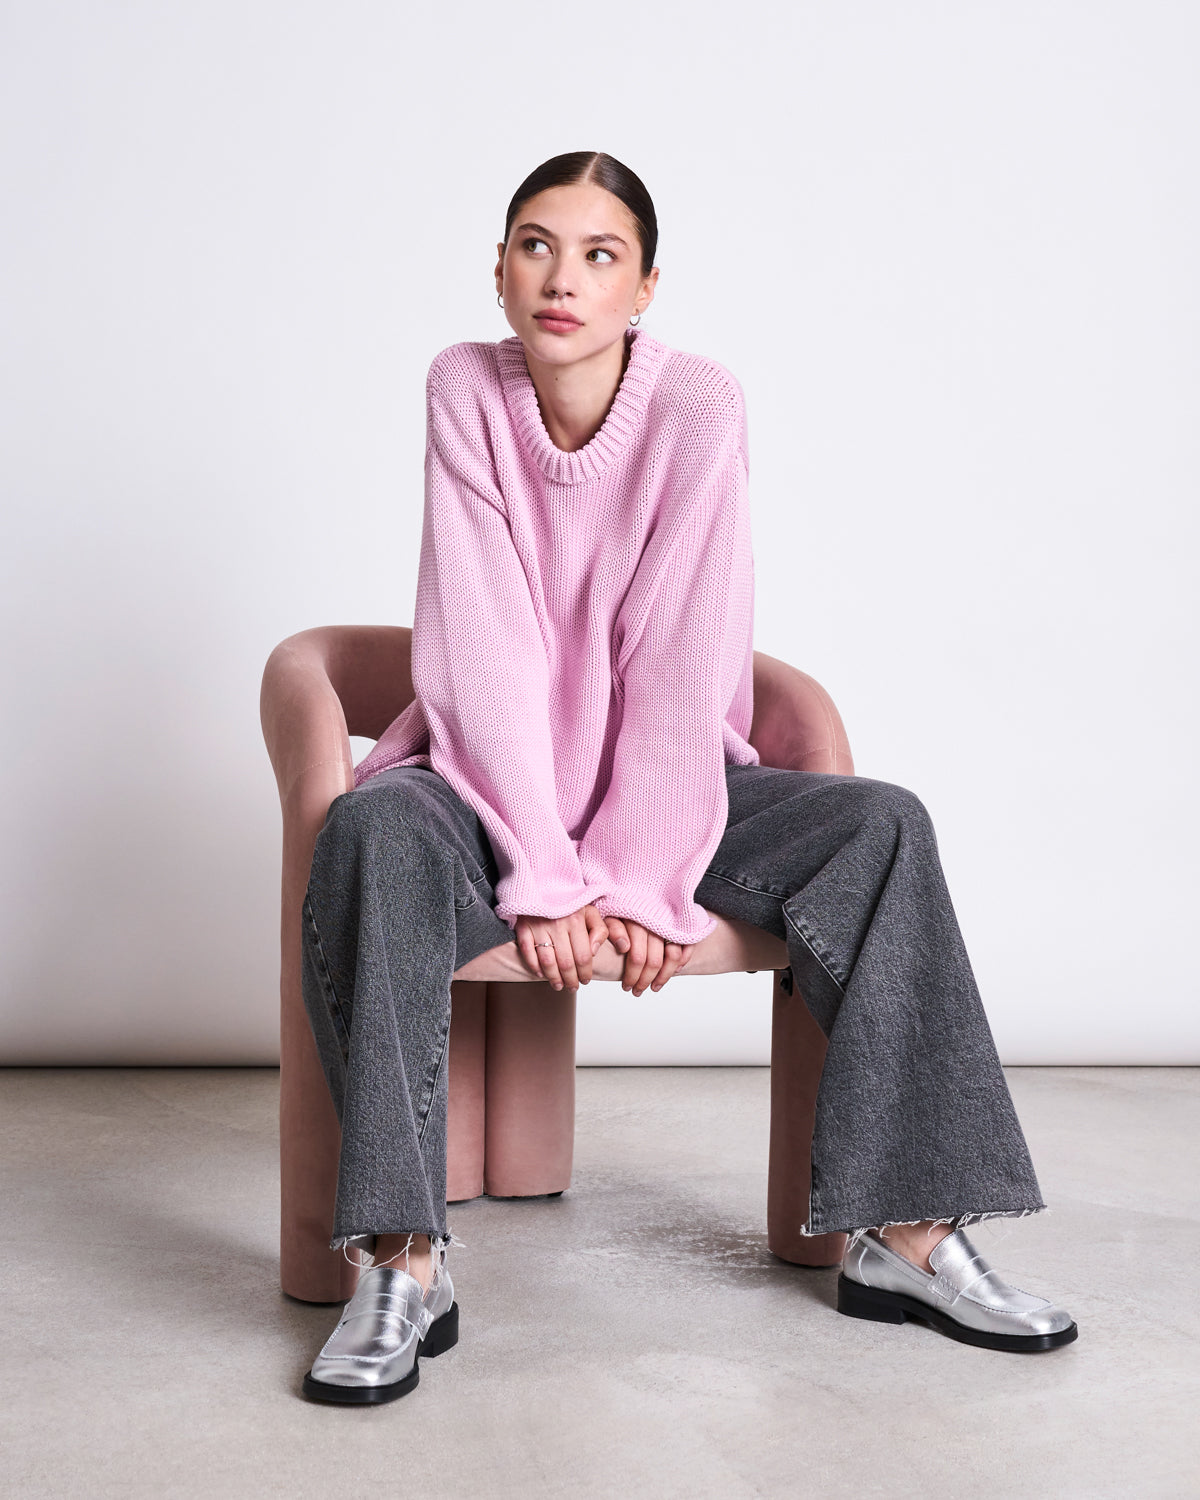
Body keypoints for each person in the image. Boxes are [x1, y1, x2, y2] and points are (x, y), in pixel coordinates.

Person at [298, 151, 1078, 1405]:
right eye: (536, 246)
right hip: (487, 799)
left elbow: (682, 661)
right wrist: (548, 876)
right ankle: (401, 1258)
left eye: (599, 255)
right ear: (498, 271)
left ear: (645, 285)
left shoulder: (699, 406)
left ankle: (909, 1234)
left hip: (671, 801)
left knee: (881, 827)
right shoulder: (464, 389)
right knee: (370, 832)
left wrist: (637, 879)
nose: (563, 278)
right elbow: (484, 653)